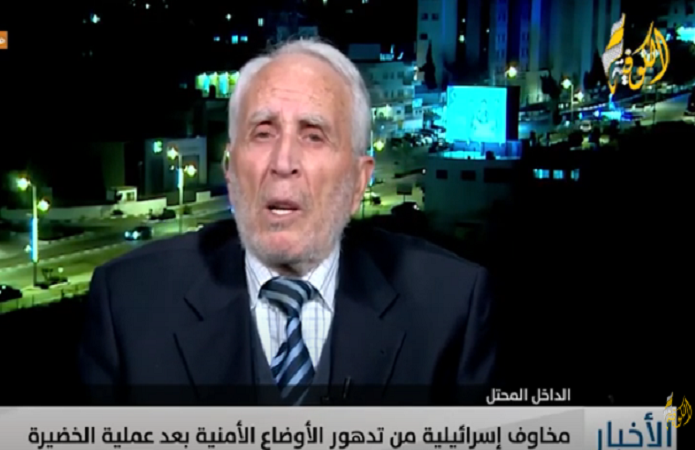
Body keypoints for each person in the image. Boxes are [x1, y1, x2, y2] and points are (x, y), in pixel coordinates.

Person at [79, 38, 497, 405]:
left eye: (313, 135)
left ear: (358, 182)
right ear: (230, 170)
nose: (283, 163)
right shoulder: (129, 305)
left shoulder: (450, 308)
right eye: (263, 133)